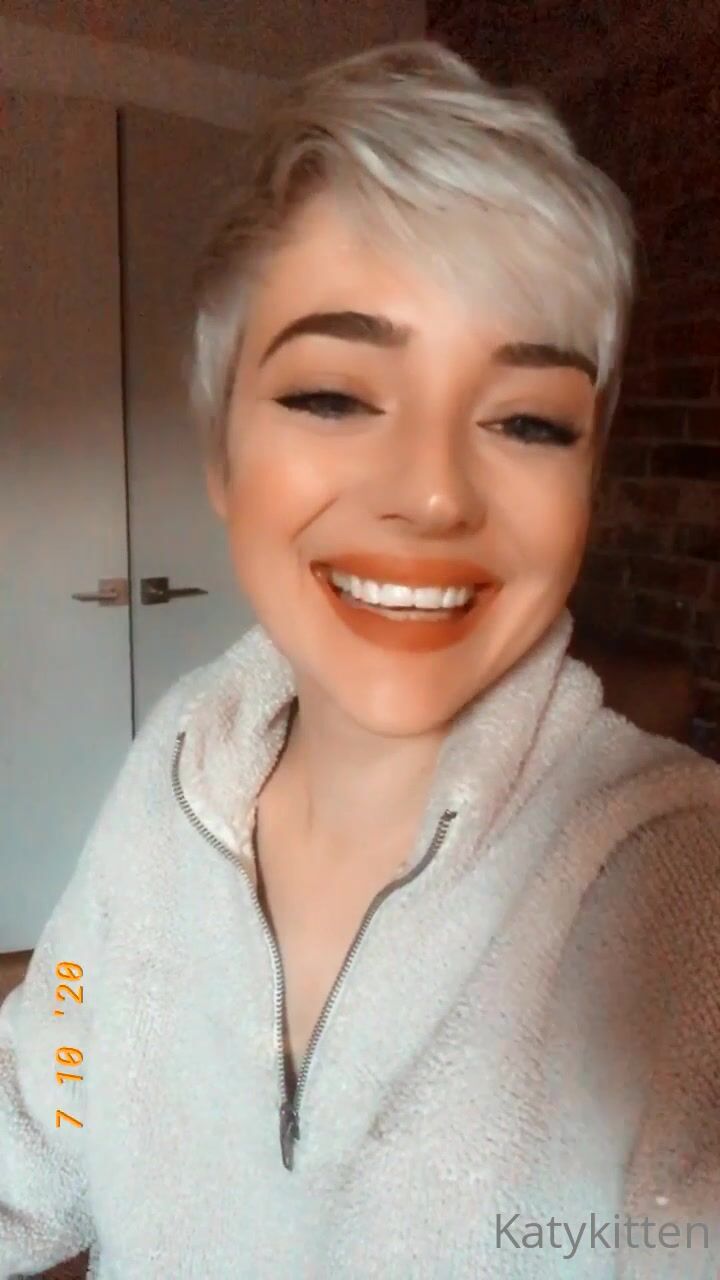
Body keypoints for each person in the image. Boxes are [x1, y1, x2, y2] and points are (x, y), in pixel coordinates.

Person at [2, 38, 719, 1280]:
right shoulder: (182, 759)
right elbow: (52, 1093)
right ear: (222, 456)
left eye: (527, 419)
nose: (434, 492)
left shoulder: (679, 894)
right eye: (334, 395)